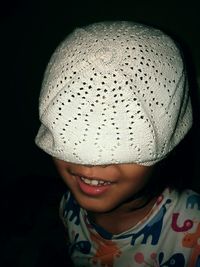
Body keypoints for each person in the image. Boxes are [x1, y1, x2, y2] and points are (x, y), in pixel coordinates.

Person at [35, 21, 200, 267]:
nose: (90, 164)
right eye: (76, 133)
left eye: (124, 140)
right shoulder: (69, 204)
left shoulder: (194, 230)